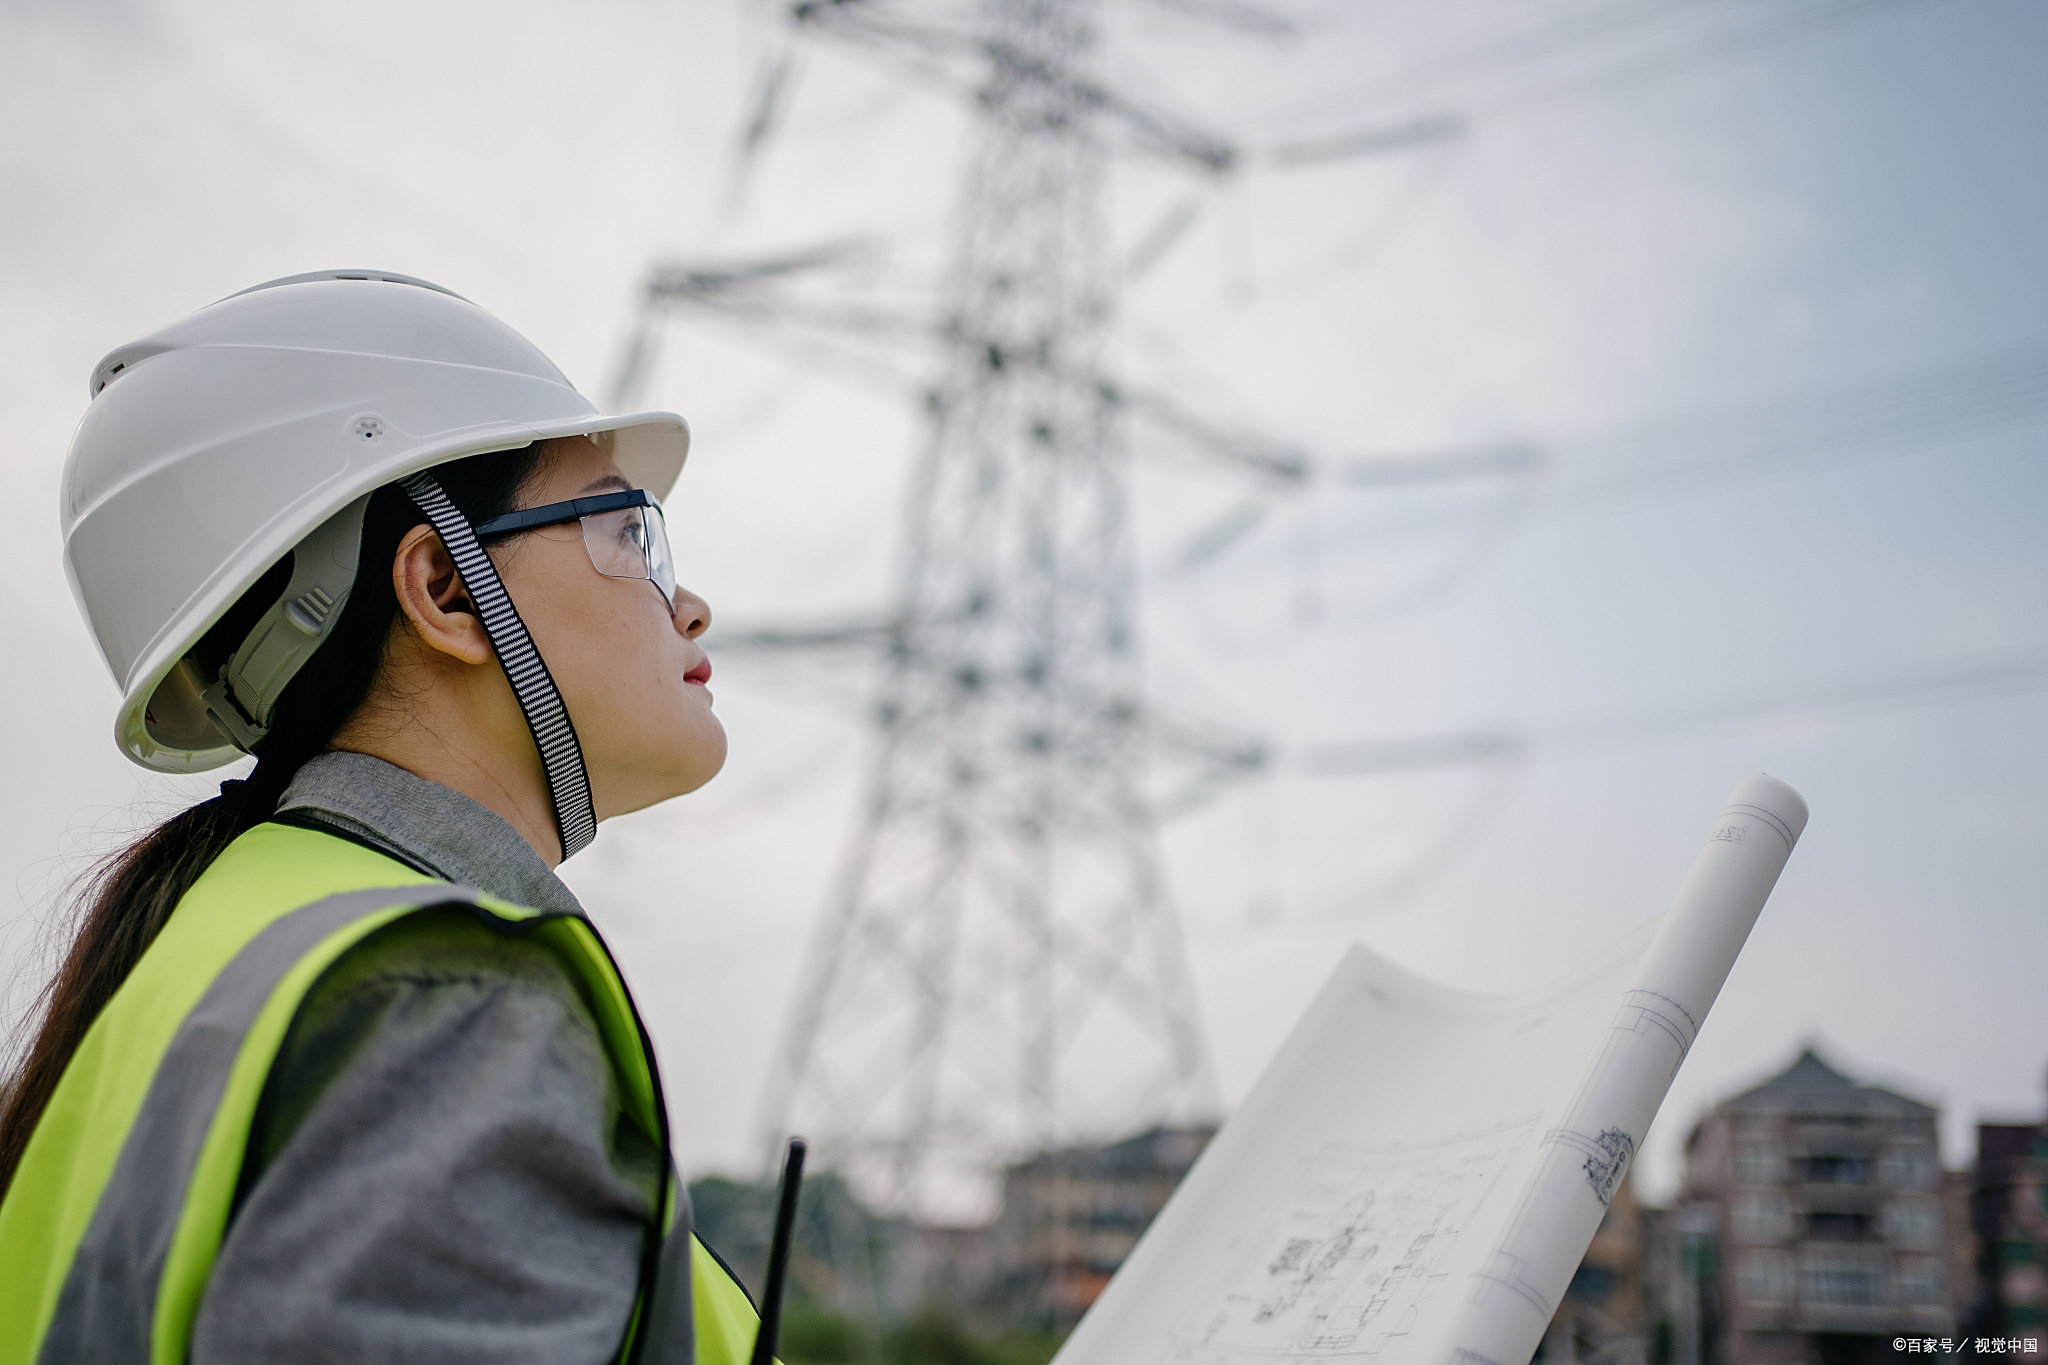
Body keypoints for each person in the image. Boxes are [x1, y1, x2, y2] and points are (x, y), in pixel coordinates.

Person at [0, 271, 764, 1364]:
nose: (685, 604)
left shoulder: (226, 946)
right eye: (626, 533)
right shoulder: (442, 999)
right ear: (445, 591)